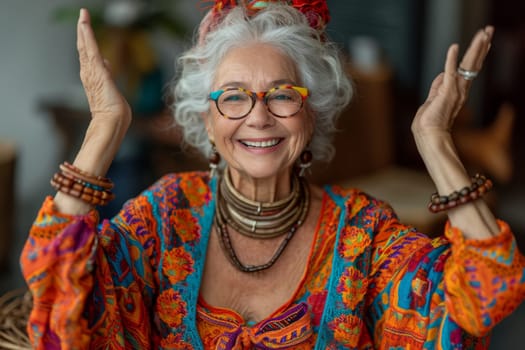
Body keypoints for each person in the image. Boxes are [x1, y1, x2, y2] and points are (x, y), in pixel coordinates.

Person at [20, 1, 525, 349]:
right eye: (233, 96)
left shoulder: (362, 233)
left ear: (314, 114)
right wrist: (107, 127)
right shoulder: (164, 214)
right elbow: (56, 285)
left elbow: (488, 290)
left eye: (283, 94)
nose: (258, 116)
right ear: (207, 120)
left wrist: (435, 142)